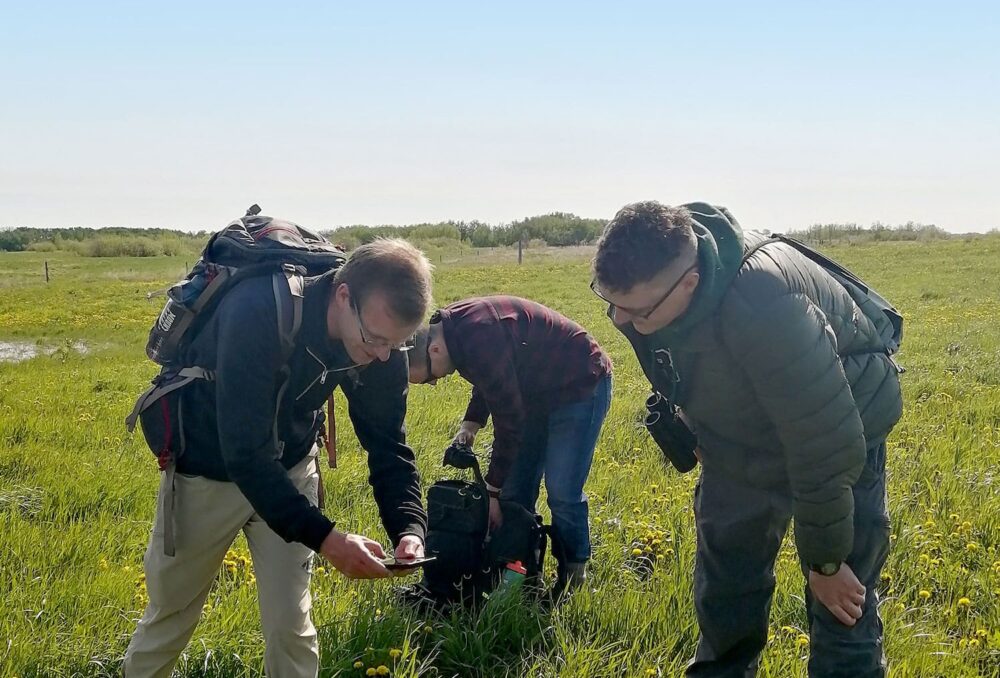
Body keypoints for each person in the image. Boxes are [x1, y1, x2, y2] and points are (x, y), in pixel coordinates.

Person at [591, 201, 902, 677]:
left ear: (690, 284)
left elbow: (822, 442)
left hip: (840, 433)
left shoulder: (764, 303)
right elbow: (682, 370)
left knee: (843, 609)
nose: (618, 320)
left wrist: (826, 563)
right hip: (741, 439)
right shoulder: (648, 299)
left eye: (635, 309)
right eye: (608, 301)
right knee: (726, 594)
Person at [124, 239, 434, 678]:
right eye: (376, 340)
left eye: (397, 344)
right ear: (343, 296)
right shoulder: (258, 310)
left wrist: (409, 528)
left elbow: (388, 445)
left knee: (292, 623)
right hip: (208, 469)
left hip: (290, 466)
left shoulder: (383, 343)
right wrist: (327, 539)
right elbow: (244, 454)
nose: (384, 355)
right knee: (170, 617)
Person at [408, 296, 612, 596]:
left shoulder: (477, 333)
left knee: (562, 492)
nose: (436, 382)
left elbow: (509, 422)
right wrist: (471, 424)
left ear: (434, 349)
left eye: (429, 378)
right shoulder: (455, 331)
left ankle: (573, 577)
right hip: (536, 392)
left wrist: (491, 490)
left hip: (580, 383)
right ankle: (521, 570)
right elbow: (491, 375)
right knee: (514, 491)